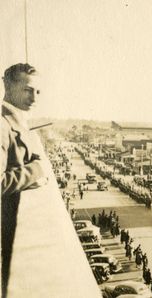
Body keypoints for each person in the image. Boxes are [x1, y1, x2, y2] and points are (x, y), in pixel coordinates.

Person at [1, 63, 48, 296]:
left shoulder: (18, 120)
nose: (34, 97)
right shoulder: (2, 124)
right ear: (7, 86)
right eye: (28, 89)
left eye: (38, 91)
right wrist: (37, 171)